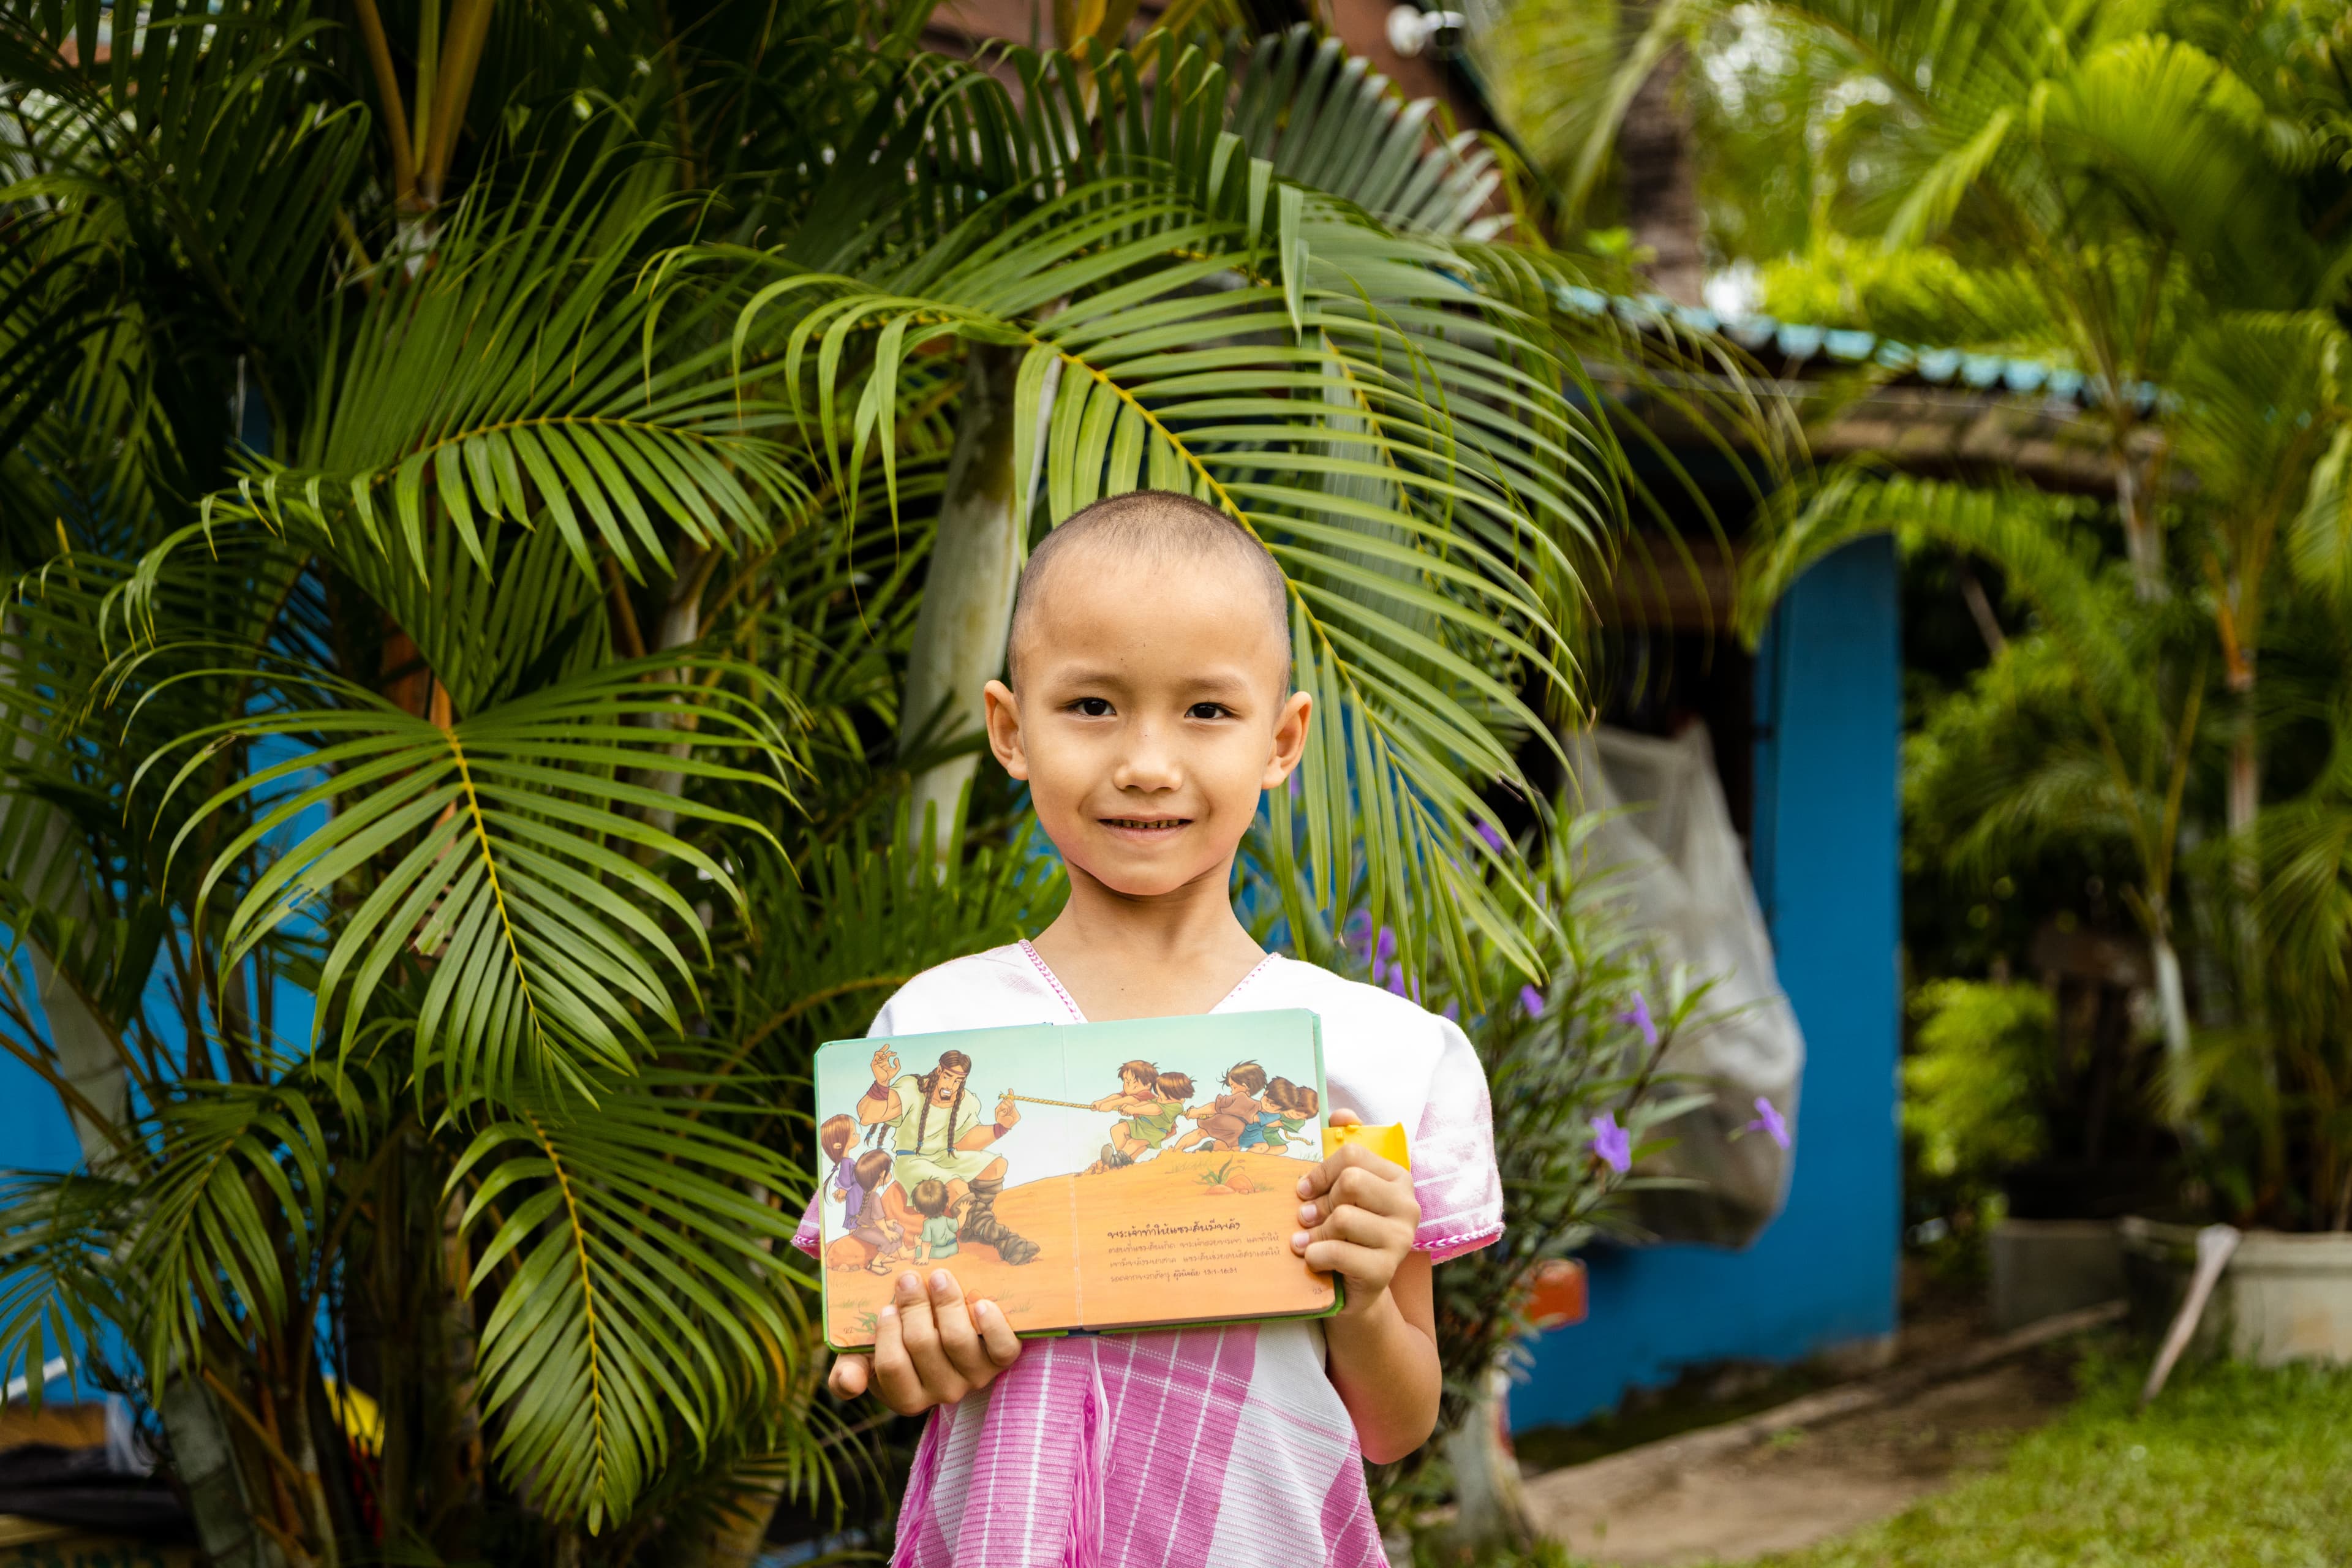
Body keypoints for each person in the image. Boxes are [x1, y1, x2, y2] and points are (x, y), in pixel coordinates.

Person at [796, 489, 1501, 1567]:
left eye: (1207, 712)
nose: (1147, 763)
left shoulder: (1379, 1054)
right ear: (1009, 728)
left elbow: (1397, 1424)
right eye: (1092, 706)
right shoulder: (933, 1041)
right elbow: (888, 1370)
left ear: (1282, 738)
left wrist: (1361, 1299)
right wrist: (916, 1360)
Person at [857, 1045, 1039, 1265]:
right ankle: (1006, 1241)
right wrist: (881, 1084)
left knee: (997, 1165)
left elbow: (965, 1141)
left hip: (945, 1158)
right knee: (957, 1186)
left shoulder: (966, 1101)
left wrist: (1002, 1127)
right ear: (938, 1071)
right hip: (912, 1160)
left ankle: (972, 1228)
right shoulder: (913, 1089)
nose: (951, 1085)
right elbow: (868, 1116)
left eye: (958, 1081)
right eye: (948, 1077)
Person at [1171, 1059, 1267, 1153]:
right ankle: (1208, 1149)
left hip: (1222, 1121)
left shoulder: (1239, 1096)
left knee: (1200, 1133)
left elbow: (1215, 1107)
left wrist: (1198, 1111)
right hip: (1237, 1130)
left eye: (1234, 1087)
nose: (1232, 1091)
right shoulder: (1257, 1105)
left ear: (1245, 1086)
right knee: (1230, 1146)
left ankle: (1176, 1151)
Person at [909, 1180, 961, 1261]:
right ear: (946, 1203)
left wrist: (924, 1257)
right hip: (953, 1247)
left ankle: (915, 1248)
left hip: (939, 1252)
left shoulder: (928, 1224)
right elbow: (957, 1225)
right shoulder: (946, 1219)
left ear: (917, 1209)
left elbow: (927, 1244)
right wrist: (965, 1211)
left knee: (919, 1251)